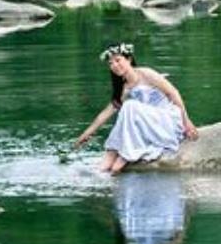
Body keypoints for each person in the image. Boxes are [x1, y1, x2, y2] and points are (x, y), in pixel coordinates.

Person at [75, 42, 198, 174]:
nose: (115, 66)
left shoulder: (146, 74)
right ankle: (104, 166)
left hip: (166, 119)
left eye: (118, 60)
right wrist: (86, 133)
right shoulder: (124, 88)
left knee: (129, 106)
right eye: (111, 63)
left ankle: (125, 154)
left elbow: (173, 93)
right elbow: (107, 112)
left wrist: (186, 122)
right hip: (149, 124)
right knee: (125, 114)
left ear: (128, 59)